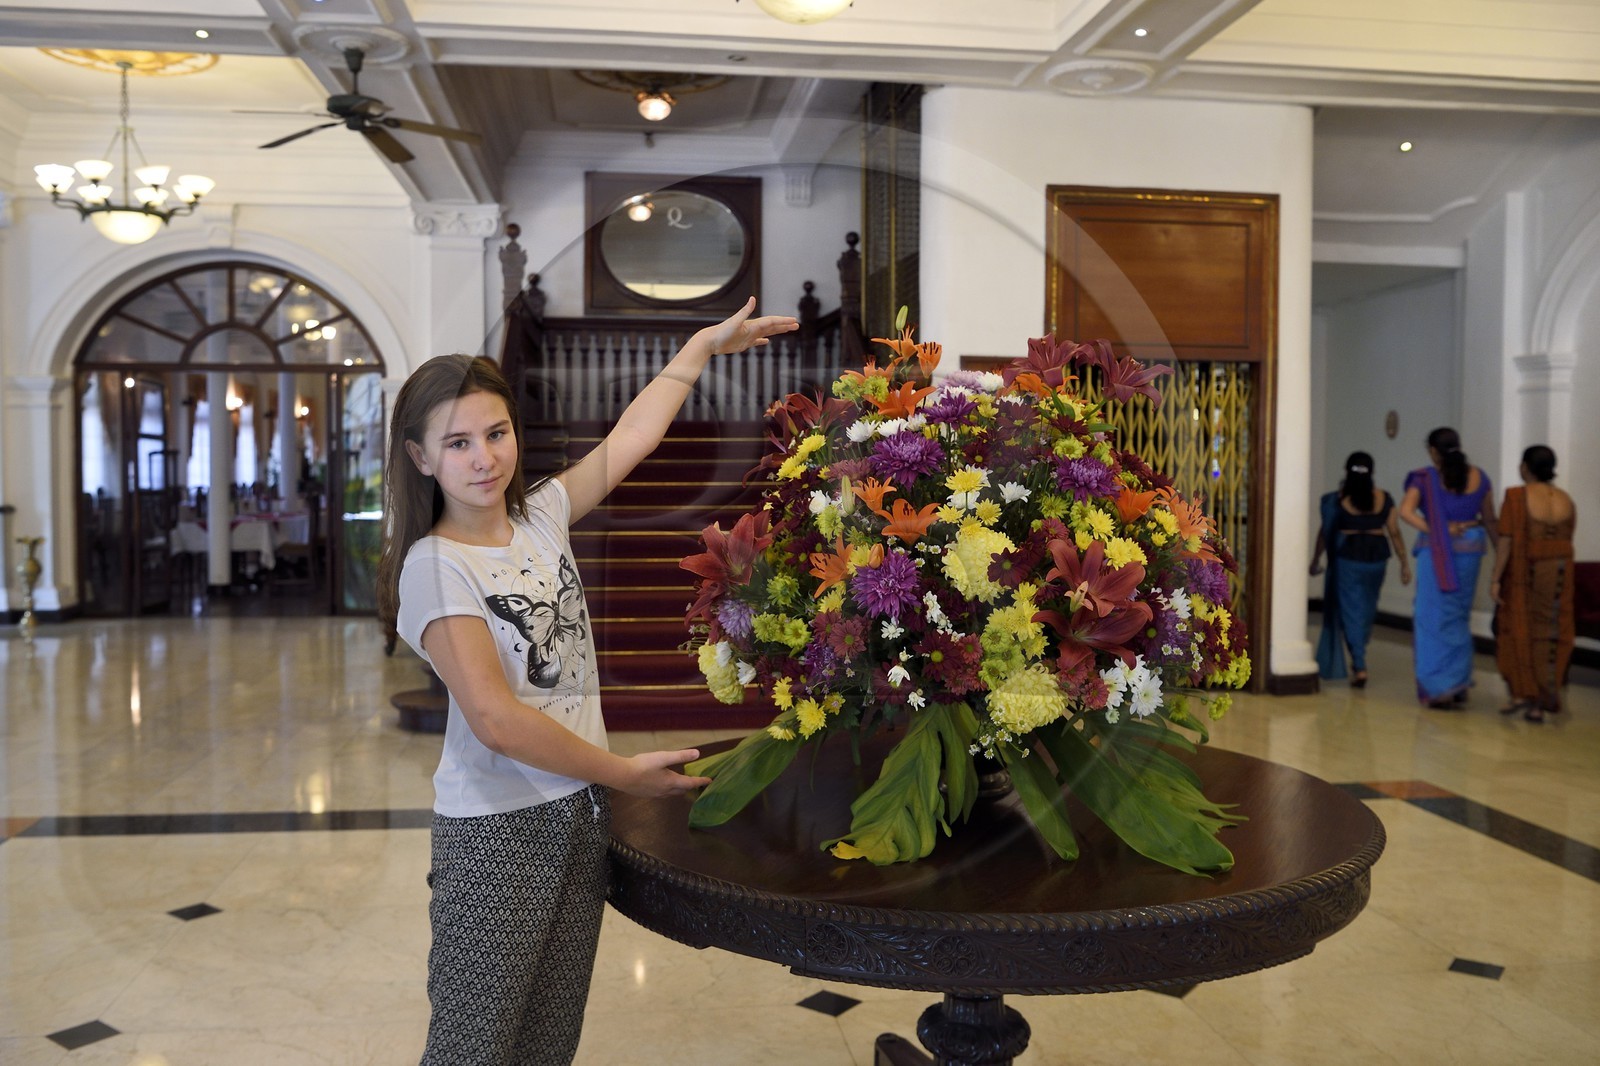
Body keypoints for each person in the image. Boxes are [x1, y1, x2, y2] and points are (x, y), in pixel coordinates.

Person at [376, 297, 799, 1065]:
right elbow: (496, 721)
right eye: (459, 443)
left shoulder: (540, 515)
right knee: (475, 1047)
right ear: (420, 458)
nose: (485, 458)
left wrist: (700, 348)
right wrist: (623, 773)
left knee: (548, 1039)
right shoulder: (436, 567)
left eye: (497, 433)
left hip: (576, 811)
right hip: (496, 830)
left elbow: (633, 437)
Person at [1398, 427, 1498, 709]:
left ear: (1432, 451)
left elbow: (1405, 512)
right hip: (1470, 550)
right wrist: (1503, 553)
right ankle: (1458, 683)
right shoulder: (1480, 476)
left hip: (1437, 550)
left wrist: (1437, 528)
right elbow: (1490, 519)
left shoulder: (1425, 478)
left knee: (1432, 618)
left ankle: (1440, 687)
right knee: (1457, 616)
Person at [1491, 445, 1577, 722]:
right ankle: (1541, 700)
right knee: (1550, 633)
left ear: (1525, 467)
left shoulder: (1516, 498)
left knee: (1517, 628)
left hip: (1527, 574)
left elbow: (1506, 542)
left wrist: (1495, 579)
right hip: (1560, 576)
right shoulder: (1566, 499)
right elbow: (1567, 539)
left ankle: (1522, 693)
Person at [1311, 451, 1411, 687]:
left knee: (1351, 611)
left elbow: (1324, 534)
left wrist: (1315, 560)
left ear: (1347, 472)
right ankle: (1360, 650)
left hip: (1349, 558)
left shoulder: (1337, 500)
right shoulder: (1384, 498)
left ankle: (1360, 664)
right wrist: (1404, 562)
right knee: (1366, 607)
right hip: (1377, 558)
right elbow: (1394, 531)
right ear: (1372, 472)